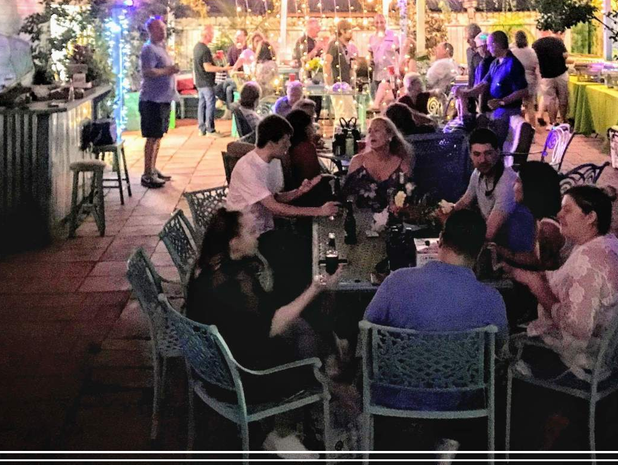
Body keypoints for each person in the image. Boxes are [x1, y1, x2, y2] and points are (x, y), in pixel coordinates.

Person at [186, 207, 343, 450]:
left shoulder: (207, 267)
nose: (258, 234)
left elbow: (259, 317)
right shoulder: (234, 283)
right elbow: (270, 326)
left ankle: (329, 379)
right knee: (311, 357)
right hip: (243, 380)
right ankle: (282, 433)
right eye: (251, 231)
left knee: (304, 332)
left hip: (212, 368)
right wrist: (317, 287)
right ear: (233, 242)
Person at [363, 208, 508, 411]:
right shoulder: (492, 300)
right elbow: (500, 348)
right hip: (460, 401)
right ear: (481, 250)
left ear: (440, 239)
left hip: (396, 394)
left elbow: (368, 330)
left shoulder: (396, 281)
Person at [502, 185, 618, 382]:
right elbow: (571, 281)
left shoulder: (590, 260)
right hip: (616, 350)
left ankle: (540, 406)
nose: (559, 214)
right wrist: (527, 275)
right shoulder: (607, 243)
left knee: (506, 345)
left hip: (589, 360)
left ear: (590, 217)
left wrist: (538, 288)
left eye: (567, 210)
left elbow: (575, 327)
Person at [225, 115, 340, 301]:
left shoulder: (268, 163)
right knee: (300, 254)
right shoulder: (249, 167)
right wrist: (320, 211)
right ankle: (287, 305)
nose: (289, 146)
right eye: (285, 142)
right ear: (272, 142)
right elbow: (276, 208)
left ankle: (305, 300)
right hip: (246, 234)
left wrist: (299, 191)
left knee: (307, 246)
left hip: (264, 228)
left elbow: (274, 197)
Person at [449, 128, 535, 254]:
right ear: (470, 155)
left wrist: (448, 225)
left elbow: (489, 234)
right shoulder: (478, 173)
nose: (482, 160)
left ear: (498, 152)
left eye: (488, 153)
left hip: (511, 250)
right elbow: (465, 201)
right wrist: (447, 212)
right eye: (477, 154)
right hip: (494, 243)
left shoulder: (506, 184)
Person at [490, 161, 565, 271]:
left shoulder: (548, 227)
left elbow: (546, 273)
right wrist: (500, 250)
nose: (513, 184)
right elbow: (536, 258)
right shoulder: (539, 217)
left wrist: (514, 272)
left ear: (531, 188)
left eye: (519, 181)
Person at [460, 30, 528, 145]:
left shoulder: (513, 64)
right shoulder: (495, 63)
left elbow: (523, 91)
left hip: (507, 111)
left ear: (496, 45)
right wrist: (466, 93)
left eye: (489, 45)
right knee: (475, 128)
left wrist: (502, 102)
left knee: (491, 143)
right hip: (496, 110)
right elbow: (483, 84)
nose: (487, 48)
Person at [139, 17, 179, 189]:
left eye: (163, 28)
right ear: (151, 31)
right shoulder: (148, 49)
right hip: (152, 100)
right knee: (152, 137)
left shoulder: (161, 47)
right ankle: (147, 174)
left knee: (159, 136)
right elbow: (147, 72)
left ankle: (153, 169)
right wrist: (168, 70)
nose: (163, 31)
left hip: (163, 99)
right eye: (159, 29)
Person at [343, 116, 413, 213]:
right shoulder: (358, 161)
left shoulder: (402, 164)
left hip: (391, 220)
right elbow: (345, 197)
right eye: (369, 131)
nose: (371, 134)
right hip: (361, 220)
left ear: (390, 135)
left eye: (376, 131)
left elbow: (409, 198)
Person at [284, 108, 335, 207]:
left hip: (292, 190)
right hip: (308, 194)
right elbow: (312, 175)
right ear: (306, 128)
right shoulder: (306, 148)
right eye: (311, 124)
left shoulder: (289, 146)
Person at [533, 29, 570, 127]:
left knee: (550, 100)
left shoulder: (536, 44)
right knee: (563, 98)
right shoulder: (558, 41)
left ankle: (553, 122)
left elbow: (534, 60)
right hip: (561, 73)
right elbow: (565, 55)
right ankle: (564, 119)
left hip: (546, 76)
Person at [193, 25, 224, 136]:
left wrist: (213, 57)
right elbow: (208, 67)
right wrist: (223, 68)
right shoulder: (205, 49)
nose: (213, 36)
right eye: (212, 34)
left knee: (202, 104)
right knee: (210, 104)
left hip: (199, 81)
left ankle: (202, 129)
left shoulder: (197, 47)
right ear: (207, 35)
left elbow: (202, 62)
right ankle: (210, 129)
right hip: (206, 81)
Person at [511, 30, 541, 127]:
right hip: (530, 81)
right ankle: (532, 129)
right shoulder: (531, 52)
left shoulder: (512, 52)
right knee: (530, 106)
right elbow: (536, 67)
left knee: (517, 107)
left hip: (516, 83)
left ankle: (520, 129)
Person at [368, 13, 402, 96]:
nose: (379, 24)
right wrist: (370, 62)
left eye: (381, 22)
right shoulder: (372, 38)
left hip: (390, 74)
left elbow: (399, 52)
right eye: (377, 22)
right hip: (377, 74)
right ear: (374, 24)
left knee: (389, 98)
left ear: (385, 22)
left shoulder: (393, 36)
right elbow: (370, 53)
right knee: (378, 97)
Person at [325, 20, 354, 86]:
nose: (351, 33)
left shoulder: (344, 46)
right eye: (349, 30)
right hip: (338, 86)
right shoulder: (334, 45)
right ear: (342, 31)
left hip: (345, 85)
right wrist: (329, 84)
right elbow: (327, 63)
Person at [464, 23, 483, 90]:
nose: (467, 41)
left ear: (476, 37)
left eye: (469, 39)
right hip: (472, 87)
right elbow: (470, 71)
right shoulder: (469, 51)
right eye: (466, 38)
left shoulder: (485, 51)